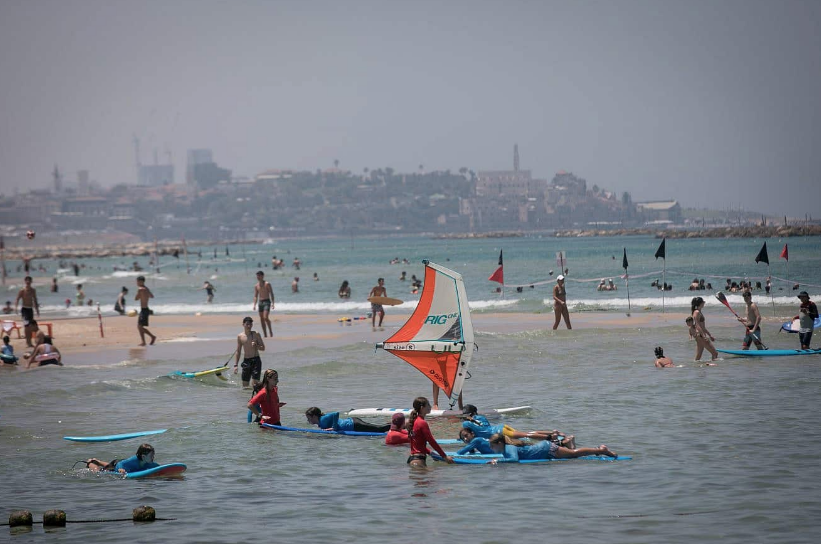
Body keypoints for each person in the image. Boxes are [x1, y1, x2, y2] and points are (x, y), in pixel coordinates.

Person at [460, 404, 570, 443]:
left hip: (500, 432)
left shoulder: (466, 424)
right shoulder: (481, 417)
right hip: (501, 427)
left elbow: (468, 432)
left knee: (526, 435)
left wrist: (461, 438)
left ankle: (551, 437)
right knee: (526, 434)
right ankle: (553, 432)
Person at [486, 432, 616, 463]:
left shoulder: (509, 448)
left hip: (546, 449)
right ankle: (598, 450)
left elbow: (514, 459)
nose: (491, 449)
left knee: (574, 453)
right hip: (543, 450)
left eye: (492, 446)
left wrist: (499, 461)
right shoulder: (505, 449)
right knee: (573, 454)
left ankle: (601, 450)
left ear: (499, 444)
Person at [405, 397, 454, 467]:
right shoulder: (422, 423)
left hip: (412, 459)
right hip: (419, 460)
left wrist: (430, 452)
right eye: (428, 405)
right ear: (422, 408)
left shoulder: (414, 421)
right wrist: (444, 456)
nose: (430, 407)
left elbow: (417, 443)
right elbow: (431, 441)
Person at [305, 407, 391, 433]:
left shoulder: (323, 419)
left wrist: (334, 428)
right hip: (352, 423)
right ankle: (395, 425)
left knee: (379, 429)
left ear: (315, 416)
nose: (308, 420)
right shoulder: (320, 422)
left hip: (353, 425)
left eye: (309, 418)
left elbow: (336, 413)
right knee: (377, 429)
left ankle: (400, 425)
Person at [85, 443, 159, 474]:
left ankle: (98, 461)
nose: (153, 457)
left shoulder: (147, 462)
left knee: (110, 465)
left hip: (121, 463)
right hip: (118, 464)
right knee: (99, 472)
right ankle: (90, 463)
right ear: (143, 457)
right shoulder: (134, 460)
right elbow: (121, 464)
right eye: (151, 455)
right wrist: (120, 469)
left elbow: (158, 467)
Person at [235, 316, 265, 388]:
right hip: (246, 361)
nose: (249, 326)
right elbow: (238, 351)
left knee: (255, 384)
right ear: (243, 324)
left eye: (250, 324)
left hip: (256, 360)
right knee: (245, 385)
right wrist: (236, 365)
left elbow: (263, 348)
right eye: (247, 324)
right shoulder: (240, 336)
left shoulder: (256, 334)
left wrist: (256, 345)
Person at [15, 276, 40, 347]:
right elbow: (17, 299)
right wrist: (16, 308)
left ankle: (30, 342)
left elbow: (35, 300)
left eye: (29, 281)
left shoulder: (33, 290)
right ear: (25, 281)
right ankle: (28, 342)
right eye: (27, 281)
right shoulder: (22, 290)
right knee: (26, 326)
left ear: (31, 282)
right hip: (24, 310)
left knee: (31, 326)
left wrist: (37, 310)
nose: (28, 282)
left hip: (30, 310)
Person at [690, 297, 717, 361]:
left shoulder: (698, 312)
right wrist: (704, 336)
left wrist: (709, 335)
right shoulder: (697, 312)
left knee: (698, 357)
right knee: (715, 353)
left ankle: (695, 369)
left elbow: (703, 327)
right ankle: (715, 369)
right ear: (700, 303)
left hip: (699, 335)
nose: (704, 303)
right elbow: (697, 325)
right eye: (703, 302)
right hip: (700, 335)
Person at [135, 276, 156, 346]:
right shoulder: (146, 288)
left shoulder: (140, 289)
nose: (136, 283)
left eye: (137, 281)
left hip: (144, 310)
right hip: (145, 309)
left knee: (139, 326)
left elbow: (136, 298)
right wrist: (145, 293)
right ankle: (144, 341)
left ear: (141, 281)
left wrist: (140, 293)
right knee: (139, 326)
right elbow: (152, 296)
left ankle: (152, 336)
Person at [253, 271, 275, 338]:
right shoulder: (256, 286)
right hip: (260, 302)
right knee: (261, 319)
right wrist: (254, 305)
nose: (258, 277)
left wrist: (273, 303)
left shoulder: (267, 284)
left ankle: (270, 331)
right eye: (257, 276)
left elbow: (271, 293)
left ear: (263, 276)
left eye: (259, 275)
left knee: (265, 317)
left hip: (267, 302)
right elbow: (255, 296)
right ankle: (265, 334)